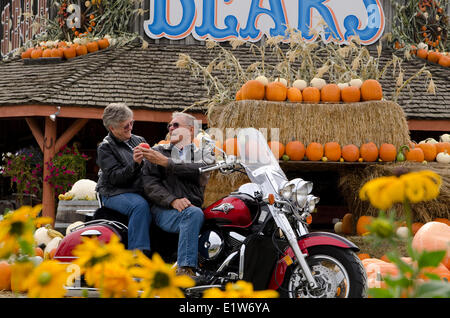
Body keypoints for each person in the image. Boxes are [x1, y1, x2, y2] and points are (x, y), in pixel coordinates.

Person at [141, 112, 215, 279]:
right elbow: (150, 185)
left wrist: (167, 163)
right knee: (193, 213)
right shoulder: (157, 151)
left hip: (191, 206)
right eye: (169, 125)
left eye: (176, 125)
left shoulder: (203, 153)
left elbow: (198, 170)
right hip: (163, 210)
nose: (170, 128)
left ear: (190, 130)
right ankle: (185, 269)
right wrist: (172, 201)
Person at [96, 103, 152, 256]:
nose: (130, 128)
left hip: (136, 188)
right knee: (139, 206)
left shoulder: (138, 139)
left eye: (131, 123)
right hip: (113, 192)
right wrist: (135, 164)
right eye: (125, 126)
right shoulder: (105, 148)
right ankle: (138, 256)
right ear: (112, 129)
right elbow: (115, 178)